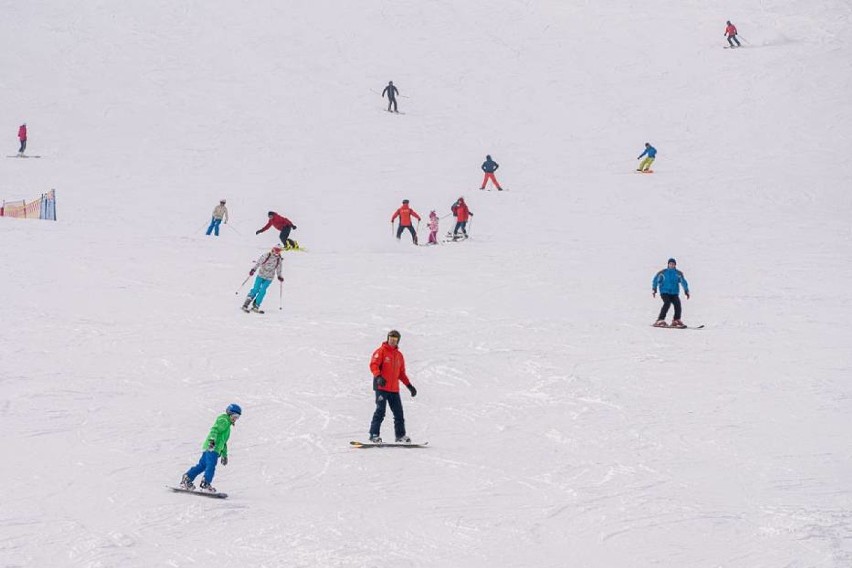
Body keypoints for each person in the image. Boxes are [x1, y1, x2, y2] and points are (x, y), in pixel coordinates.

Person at [180, 403, 242, 493]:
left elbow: (224, 442)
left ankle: (187, 478)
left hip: (211, 447)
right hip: (212, 447)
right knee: (211, 466)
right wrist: (212, 441)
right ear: (229, 413)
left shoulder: (227, 425)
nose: (236, 418)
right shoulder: (224, 421)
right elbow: (214, 430)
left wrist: (224, 455)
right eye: (235, 416)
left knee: (202, 466)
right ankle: (205, 484)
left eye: (238, 417)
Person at [368, 330, 417, 443]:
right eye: (391, 339)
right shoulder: (381, 351)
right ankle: (374, 435)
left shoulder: (399, 355)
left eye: (395, 340)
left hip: (394, 389)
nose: (392, 341)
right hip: (381, 388)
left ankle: (400, 436)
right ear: (388, 338)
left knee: (399, 413)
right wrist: (378, 377)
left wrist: (409, 386)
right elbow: (373, 365)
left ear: (398, 341)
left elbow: (401, 373)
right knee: (380, 411)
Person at [242, 245, 284, 313]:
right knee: (256, 289)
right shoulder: (267, 255)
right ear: (273, 249)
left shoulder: (279, 259)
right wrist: (253, 269)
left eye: (279, 250)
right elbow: (258, 263)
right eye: (276, 249)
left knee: (263, 291)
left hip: (269, 278)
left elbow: (279, 269)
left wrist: (279, 276)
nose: (277, 252)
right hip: (261, 275)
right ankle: (246, 304)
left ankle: (256, 305)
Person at [652, 258, 690, 327]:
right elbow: (655, 280)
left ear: (675, 265)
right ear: (668, 264)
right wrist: (654, 289)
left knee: (677, 304)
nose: (671, 265)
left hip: (674, 293)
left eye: (673, 264)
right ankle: (660, 319)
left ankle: (676, 320)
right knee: (667, 303)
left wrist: (686, 290)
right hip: (664, 292)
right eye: (670, 264)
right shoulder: (663, 272)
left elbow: (683, 282)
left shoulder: (678, 273)